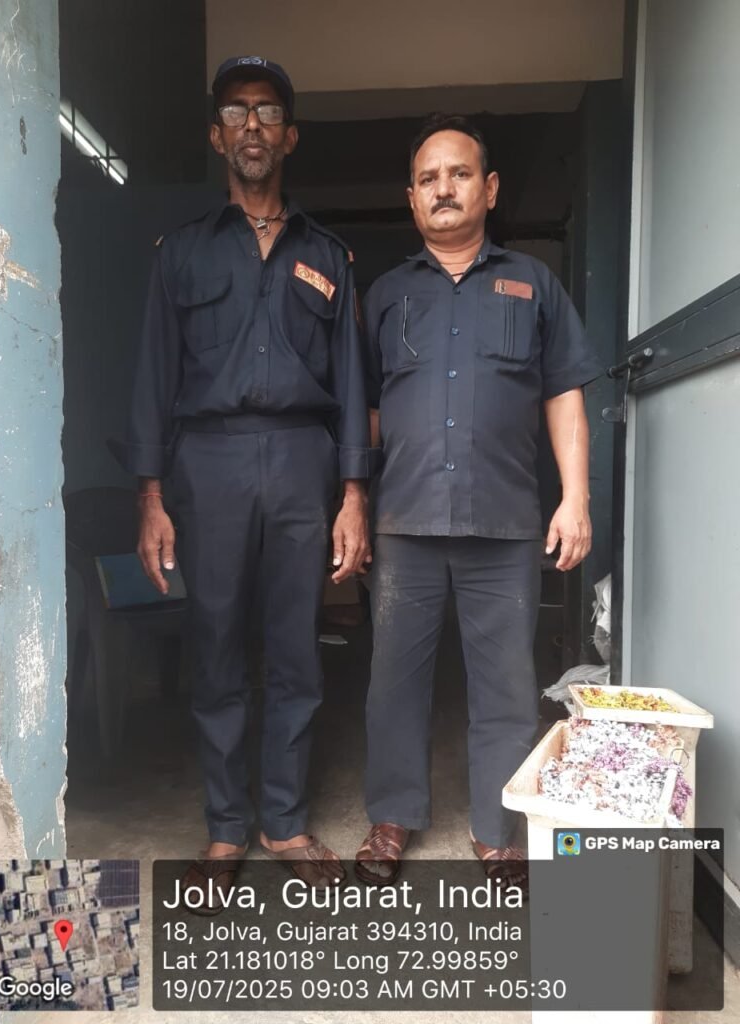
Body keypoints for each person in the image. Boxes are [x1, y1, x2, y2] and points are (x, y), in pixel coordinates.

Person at [113, 57, 371, 904]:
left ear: (289, 137)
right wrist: (151, 497)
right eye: (235, 112)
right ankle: (226, 827)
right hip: (209, 463)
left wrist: (354, 495)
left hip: (301, 460)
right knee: (216, 646)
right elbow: (153, 377)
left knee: (297, 649)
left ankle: (283, 821)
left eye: (266, 112)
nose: (251, 126)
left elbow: (352, 382)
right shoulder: (182, 253)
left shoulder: (328, 254)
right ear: (217, 136)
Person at [354, 114, 603, 890]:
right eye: (428, 179)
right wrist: (351, 500)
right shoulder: (386, 296)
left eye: (458, 174)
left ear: (489, 189)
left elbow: (564, 395)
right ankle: (392, 817)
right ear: (411, 197)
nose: (444, 189)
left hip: (504, 522)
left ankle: (498, 831)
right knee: (394, 682)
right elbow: (365, 413)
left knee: (505, 686)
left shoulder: (533, 285)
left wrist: (576, 497)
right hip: (406, 522)